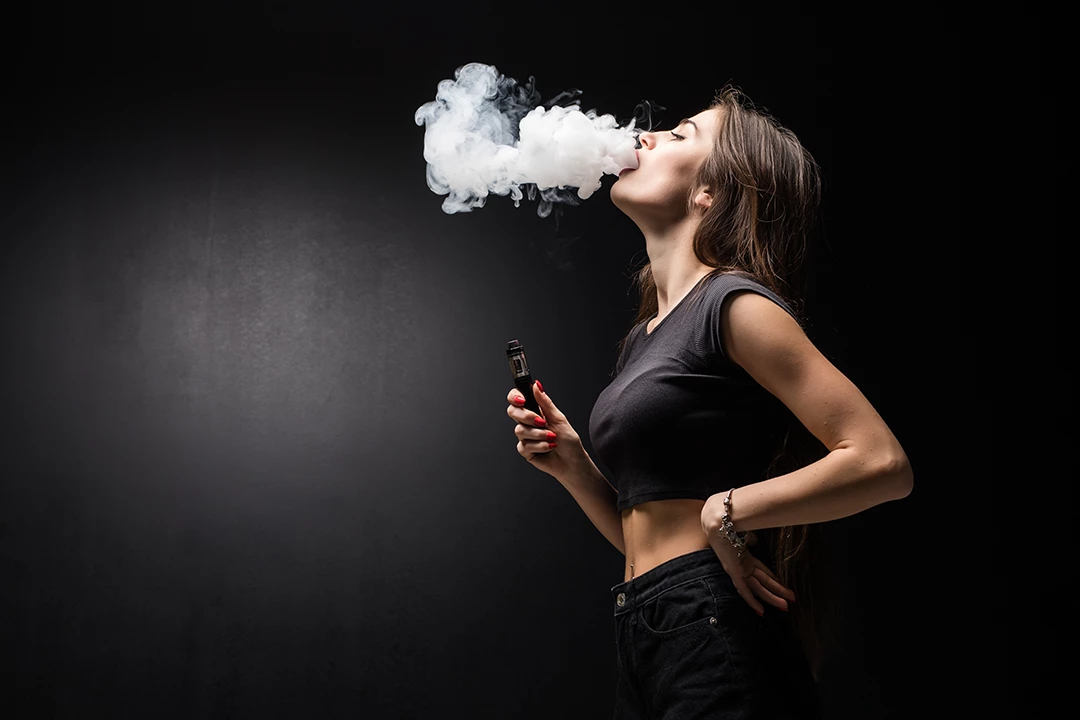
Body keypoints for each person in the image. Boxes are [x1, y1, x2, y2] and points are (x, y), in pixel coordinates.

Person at [504, 85, 913, 719]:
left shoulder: (734, 304)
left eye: (679, 135)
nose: (644, 137)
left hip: (708, 623)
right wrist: (574, 465)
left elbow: (882, 462)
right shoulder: (645, 336)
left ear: (710, 193)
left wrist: (728, 511)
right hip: (647, 623)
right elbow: (644, 537)